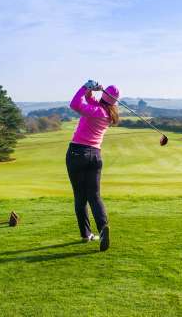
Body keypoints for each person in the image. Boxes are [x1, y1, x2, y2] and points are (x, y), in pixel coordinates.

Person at [67, 80, 120, 252]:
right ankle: (103, 228)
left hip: (77, 153)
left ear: (104, 96)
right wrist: (92, 91)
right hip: (95, 156)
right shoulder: (107, 113)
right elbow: (90, 100)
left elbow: (74, 104)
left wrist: (85, 86)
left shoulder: (96, 111)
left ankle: (86, 234)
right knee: (95, 196)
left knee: (80, 197)